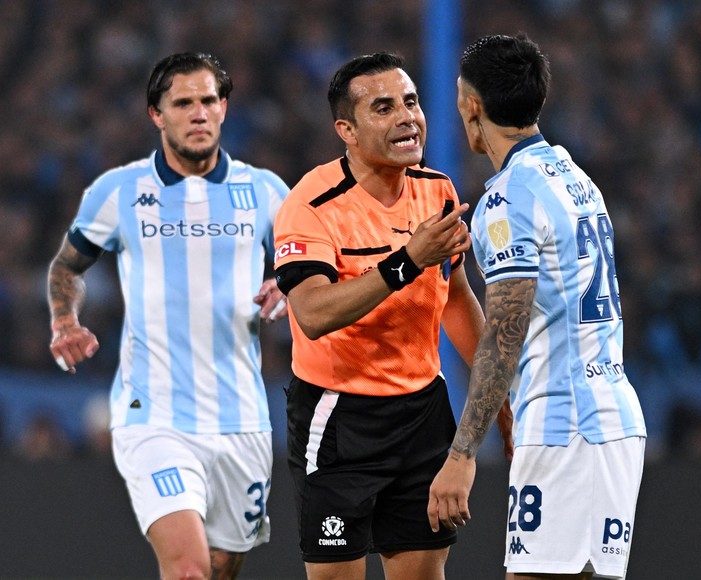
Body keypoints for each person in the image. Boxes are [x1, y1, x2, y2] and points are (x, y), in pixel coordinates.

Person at [47, 52, 290, 580]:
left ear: (224, 108)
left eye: (209, 100)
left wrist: (290, 284)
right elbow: (67, 266)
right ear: (156, 114)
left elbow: (314, 269)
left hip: (242, 420)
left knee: (222, 567)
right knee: (188, 570)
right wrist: (65, 320)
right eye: (182, 103)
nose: (198, 113)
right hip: (153, 416)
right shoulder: (120, 191)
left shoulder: (266, 192)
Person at [272, 52, 508, 580]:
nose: (407, 117)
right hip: (339, 418)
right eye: (384, 108)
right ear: (347, 131)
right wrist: (406, 262)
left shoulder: (436, 189)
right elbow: (311, 313)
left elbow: (454, 297)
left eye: (411, 102)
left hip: (422, 414)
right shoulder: (310, 204)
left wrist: (500, 399)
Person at [428, 34, 647, 580]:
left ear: (471, 107)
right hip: (608, 416)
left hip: (566, 424)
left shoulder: (509, 199)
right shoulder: (575, 178)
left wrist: (462, 453)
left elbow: (506, 328)